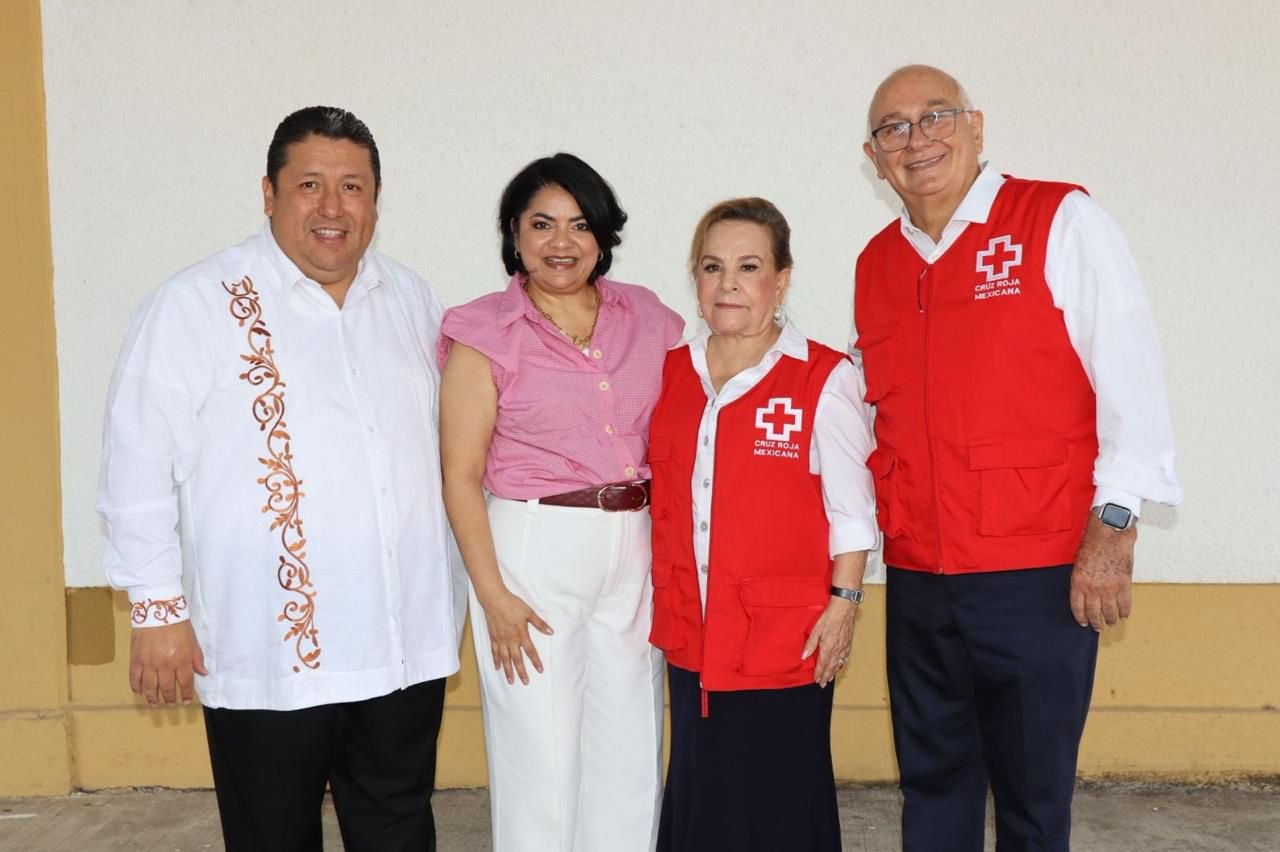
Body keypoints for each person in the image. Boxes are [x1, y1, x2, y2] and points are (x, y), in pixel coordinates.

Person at [98, 106, 460, 852]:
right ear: (268, 193)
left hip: (400, 643)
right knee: (271, 835)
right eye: (310, 184)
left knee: (398, 828)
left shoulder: (411, 300)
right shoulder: (194, 304)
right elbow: (137, 461)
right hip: (266, 643)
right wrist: (157, 609)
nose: (333, 207)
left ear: (376, 200)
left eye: (352, 186)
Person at [854, 65, 1184, 852]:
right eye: (893, 128)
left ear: (976, 127)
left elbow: (1132, 376)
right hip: (921, 576)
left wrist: (1114, 525)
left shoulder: (1059, 220)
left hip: (1036, 574)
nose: (916, 139)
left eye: (936, 116)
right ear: (874, 158)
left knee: (1033, 800)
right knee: (932, 789)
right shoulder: (878, 264)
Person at [438, 152, 684, 852]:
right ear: (514, 234)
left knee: (630, 750)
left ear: (603, 234)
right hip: (533, 547)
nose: (561, 242)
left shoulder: (649, 317)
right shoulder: (484, 331)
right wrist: (492, 596)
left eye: (579, 224)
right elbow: (460, 474)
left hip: (633, 544)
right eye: (541, 224)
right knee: (540, 757)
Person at [648, 197, 879, 851]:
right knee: (703, 799)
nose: (728, 284)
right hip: (693, 634)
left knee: (779, 806)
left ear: (781, 280)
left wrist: (844, 605)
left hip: (785, 641)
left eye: (748, 267)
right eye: (712, 267)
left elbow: (853, 511)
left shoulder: (822, 379)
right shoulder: (671, 373)